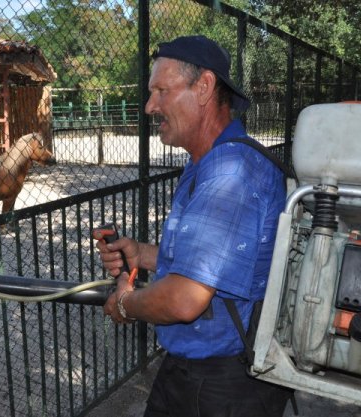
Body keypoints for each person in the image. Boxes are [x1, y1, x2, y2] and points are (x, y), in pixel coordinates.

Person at [94, 35, 291, 417]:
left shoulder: (230, 173)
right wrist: (140, 254)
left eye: (161, 91)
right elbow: (207, 262)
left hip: (226, 385)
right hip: (193, 368)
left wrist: (125, 303)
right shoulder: (204, 163)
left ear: (203, 88)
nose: (150, 106)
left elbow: (185, 299)